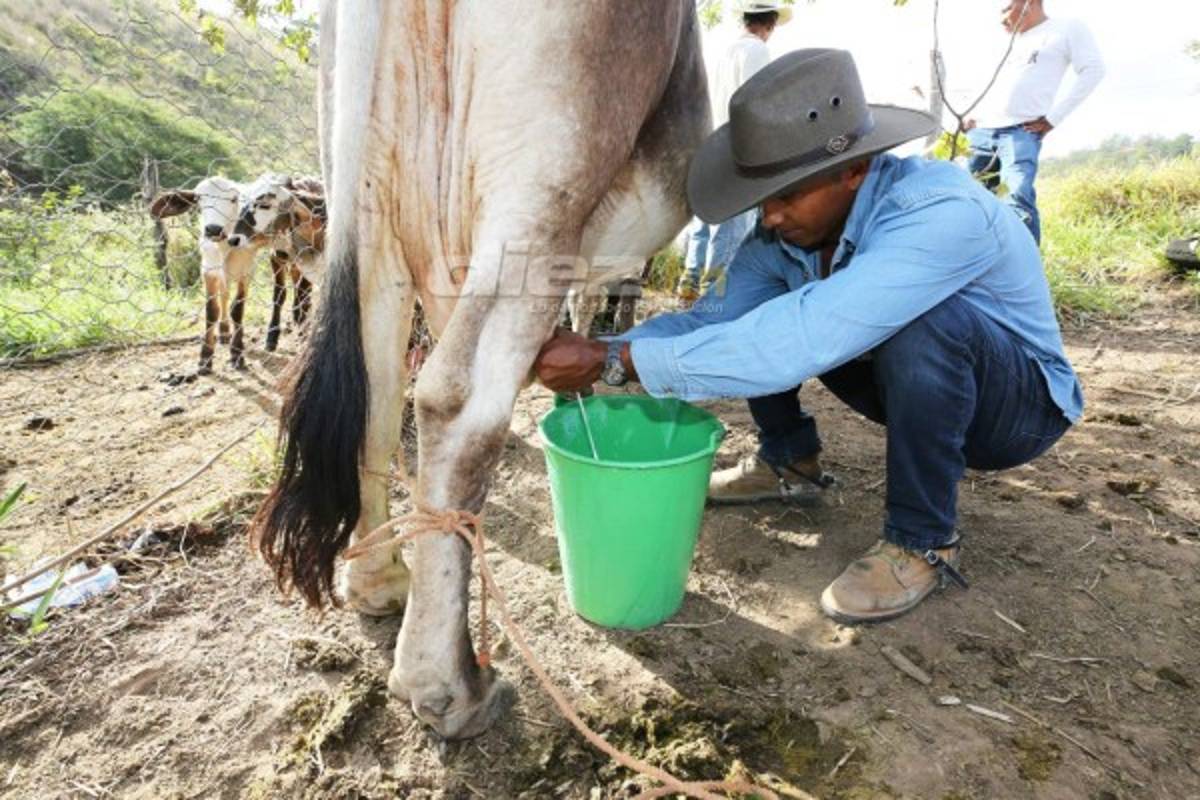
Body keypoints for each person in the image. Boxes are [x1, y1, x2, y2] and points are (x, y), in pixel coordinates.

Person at [534, 49, 1083, 624]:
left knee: (907, 324)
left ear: (854, 170)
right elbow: (708, 325)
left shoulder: (938, 212)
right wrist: (607, 353)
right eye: (762, 197)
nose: (769, 217)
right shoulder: (782, 239)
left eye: (788, 194)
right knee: (760, 319)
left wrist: (614, 361)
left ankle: (923, 541)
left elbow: (807, 337)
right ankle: (790, 463)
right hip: (908, 381)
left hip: (1016, 410)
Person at [677, 0, 793, 304]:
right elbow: (756, 104)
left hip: (706, 142)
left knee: (704, 218)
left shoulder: (723, 52)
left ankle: (689, 280)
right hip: (735, 148)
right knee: (728, 226)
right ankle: (712, 295)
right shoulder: (757, 50)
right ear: (768, 25)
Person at [965, 0, 1105, 245]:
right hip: (982, 131)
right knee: (977, 202)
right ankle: (986, 272)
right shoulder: (1005, 41)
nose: (1001, 18)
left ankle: (1027, 275)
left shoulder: (1066, 28)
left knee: (1017, 198)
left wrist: (1053, 118)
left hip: (1020, 131)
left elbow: (1093, 70)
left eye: (1006, 8)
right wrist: (971, 113)